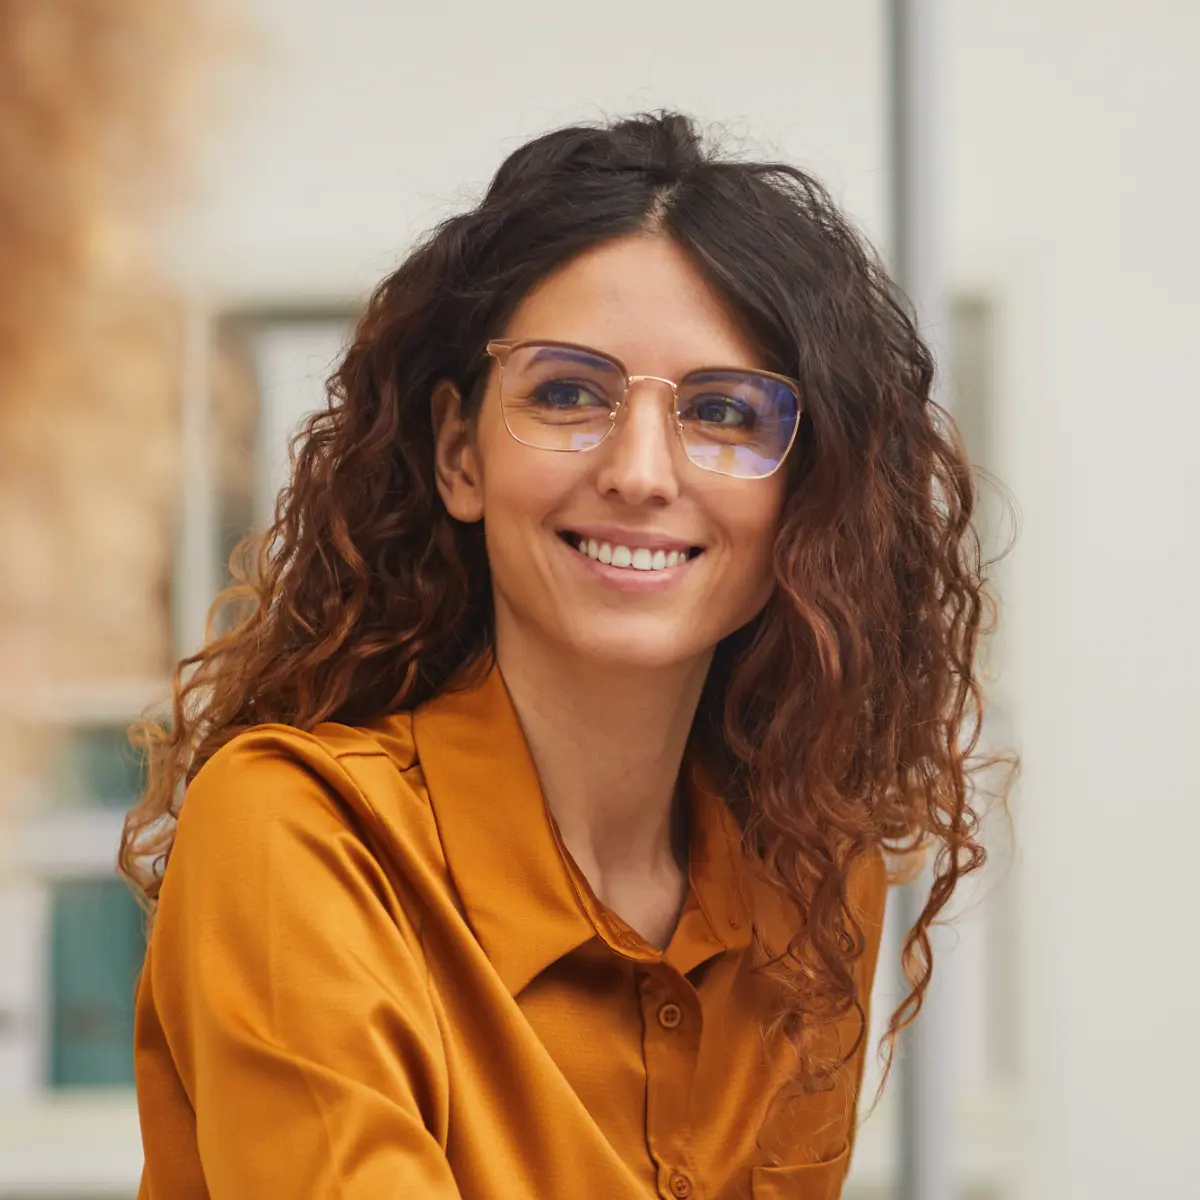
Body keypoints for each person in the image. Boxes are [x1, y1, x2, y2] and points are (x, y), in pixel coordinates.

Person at [121, 111, 1002, 1200]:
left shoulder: (810, 881)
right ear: (460, 456)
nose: (639, 471)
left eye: (722, 411)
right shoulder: (295, 837)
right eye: (568, 394)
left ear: (804, 498)